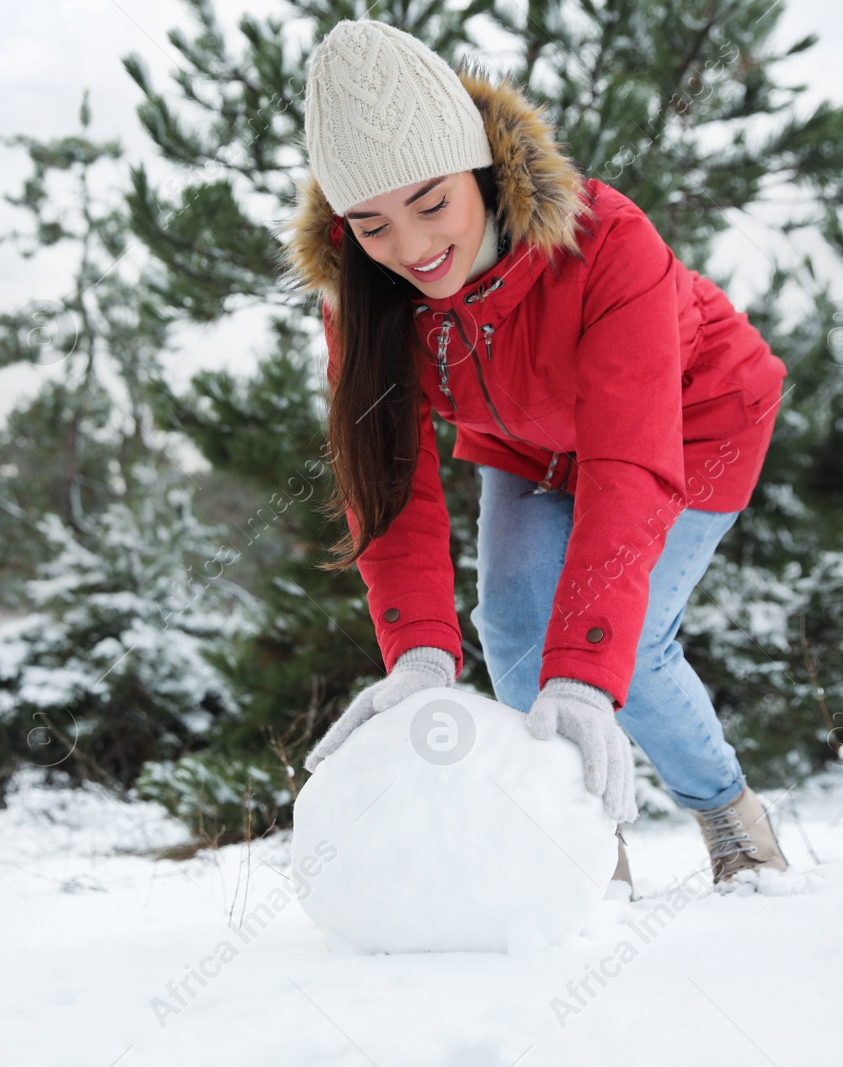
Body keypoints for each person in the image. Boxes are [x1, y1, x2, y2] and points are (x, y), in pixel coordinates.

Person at [286, 19, 790, 888]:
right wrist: (417, 652)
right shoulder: (359, 292)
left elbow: (628, 469)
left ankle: (732, 821)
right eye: (370, 224)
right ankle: (582, 849)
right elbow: (390, 478)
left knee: (620, 649)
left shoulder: (606, 244)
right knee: (516, 637)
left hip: (694, 421)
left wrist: (588, 677)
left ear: (479, 165)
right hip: (526, 443)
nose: (409, 249)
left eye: (431, 203)